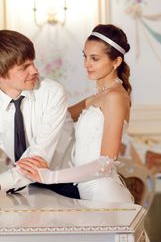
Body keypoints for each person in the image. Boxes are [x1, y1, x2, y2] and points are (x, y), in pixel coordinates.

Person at [0, 29, 79, 205]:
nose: (35, 70)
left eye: (32, 62)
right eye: (24, 67)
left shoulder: (52, 93)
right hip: (29, 191)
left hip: (72, 186)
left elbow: (38, 159)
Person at [17, 24, 133, 203]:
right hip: (86, 194)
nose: (87, 64)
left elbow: (106, 163)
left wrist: (50, 177)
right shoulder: (95, 98)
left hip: (105, 195)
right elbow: (59, 116)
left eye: (95, 59)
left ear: (116, 62)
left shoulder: (115, 97)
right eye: (85, 57)